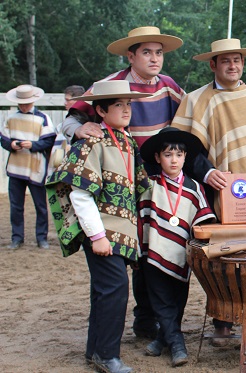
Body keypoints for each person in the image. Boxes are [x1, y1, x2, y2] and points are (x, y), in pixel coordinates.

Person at [61, 26, 187, 340]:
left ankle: (146, 320)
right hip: (113, 185)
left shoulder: (169, 87)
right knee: (119, 258)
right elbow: (69, 120)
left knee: (151, 253)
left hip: (153, 183)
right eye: (147, 52)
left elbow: (187, 126)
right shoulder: (109, 87)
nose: (155, 59)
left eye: (159, 52)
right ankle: (109, 333)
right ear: (130, 56)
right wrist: (82, 128)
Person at [170, 38, 246, 344]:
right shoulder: (196, 100)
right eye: (225, 61)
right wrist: (207, 173)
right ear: (213, 65)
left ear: (243, 63)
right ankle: (223, 320)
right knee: (222, 256)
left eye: (237, 60)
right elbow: (184, 148)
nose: (232, 66)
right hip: (218, 191)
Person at [45, 80, 152, 373]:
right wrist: (97, 236)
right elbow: (80, 194)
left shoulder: (128, 142)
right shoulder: (91, 142)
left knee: (105, 290)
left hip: (122, 233)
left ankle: (95, 351)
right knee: (115, 289)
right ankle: (107, 355)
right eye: (119, 105)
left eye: (129, 104)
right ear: (101, 110)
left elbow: (143, 185)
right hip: (103, 235)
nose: (126, 110)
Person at [138, 127, 216, 367]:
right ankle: (177, 345)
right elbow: (141, 220)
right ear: (157, 158)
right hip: (153, 255)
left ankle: (162, 339)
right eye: (168, 155)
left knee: (177, 300)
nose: (174, 160)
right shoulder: (149, 186)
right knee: (161, 300)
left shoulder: (194, 188)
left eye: (179, 155)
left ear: (185, 157)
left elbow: (203, 221)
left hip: (182, 256)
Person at [0, 84, 56, 250]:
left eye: (26, 103)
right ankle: (17, 238)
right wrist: (13, 145)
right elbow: (3, 140)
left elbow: (49, 141)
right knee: (16, 206)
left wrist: (33, 145)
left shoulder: (43, 118)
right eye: (21, 103)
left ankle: (42, 238)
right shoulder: (10, 118)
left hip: (36, 167)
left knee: (40, 205)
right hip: (16, 167)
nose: (24, 106)